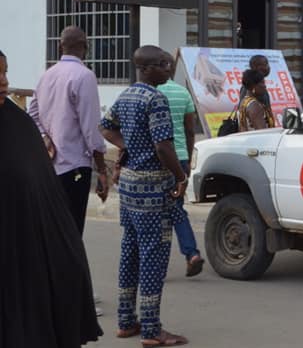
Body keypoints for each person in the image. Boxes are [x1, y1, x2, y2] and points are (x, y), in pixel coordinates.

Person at [0, 48, 103, 347]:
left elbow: (45, 196)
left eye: (5, 71)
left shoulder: (20, 125)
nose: (4, 80)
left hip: (23, 251)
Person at [99, 45, 189, 345]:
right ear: (148, 68)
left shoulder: (125, 95)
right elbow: (164, 147)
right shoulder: (155, 99)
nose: (168, 68)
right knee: (154, 256)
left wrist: (128, 147)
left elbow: (105, 127)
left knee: (131, 251)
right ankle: (152, 329)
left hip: (129, 187)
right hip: (153, 187)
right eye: (164, 64)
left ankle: (126, 321)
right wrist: (180, 176)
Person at [28, 25, 109, 236]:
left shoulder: (46, 75)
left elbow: (32, 115)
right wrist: (102, 170)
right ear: (86, 47)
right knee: (72, 233)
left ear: (59, 46)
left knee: (53, 233)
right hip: (74, 167)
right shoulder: (85, 76)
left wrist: (45, 137)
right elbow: (91, 130)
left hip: (49, 168)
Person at [156, 51, 204, 278]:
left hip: (156, 158)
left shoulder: (150, 92)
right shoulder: (183, 92)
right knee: (176, 208)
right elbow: (189, 129)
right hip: (180, 157)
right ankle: (191, 253)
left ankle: (156, 264)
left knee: (155, 212)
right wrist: (187, 154)